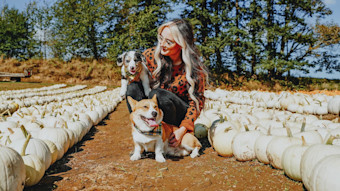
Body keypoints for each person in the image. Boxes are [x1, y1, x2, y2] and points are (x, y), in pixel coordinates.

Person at [126, 18, 209, 148]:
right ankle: (143, 134)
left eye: (168, 42)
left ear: (182, 44)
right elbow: (133, 75)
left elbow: (196, 103)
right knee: (132, 88)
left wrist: (182, 131)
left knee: (158, 94)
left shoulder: (195, 70)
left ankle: (168, 137)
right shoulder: (150, 55)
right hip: (153, 111)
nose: (162, 44)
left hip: (177, 112)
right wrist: (134, 72)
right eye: (160, 38)